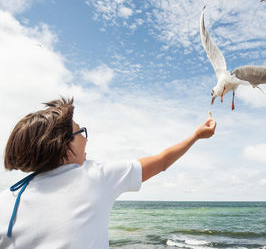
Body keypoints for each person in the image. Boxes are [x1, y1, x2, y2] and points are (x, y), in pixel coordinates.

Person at [0, 98, 216, 248]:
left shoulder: (7, 199)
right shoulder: (94, 177)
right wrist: (196, 135)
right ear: (64, 146)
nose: (85, 138)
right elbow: (161, 161)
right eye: (80, 132)